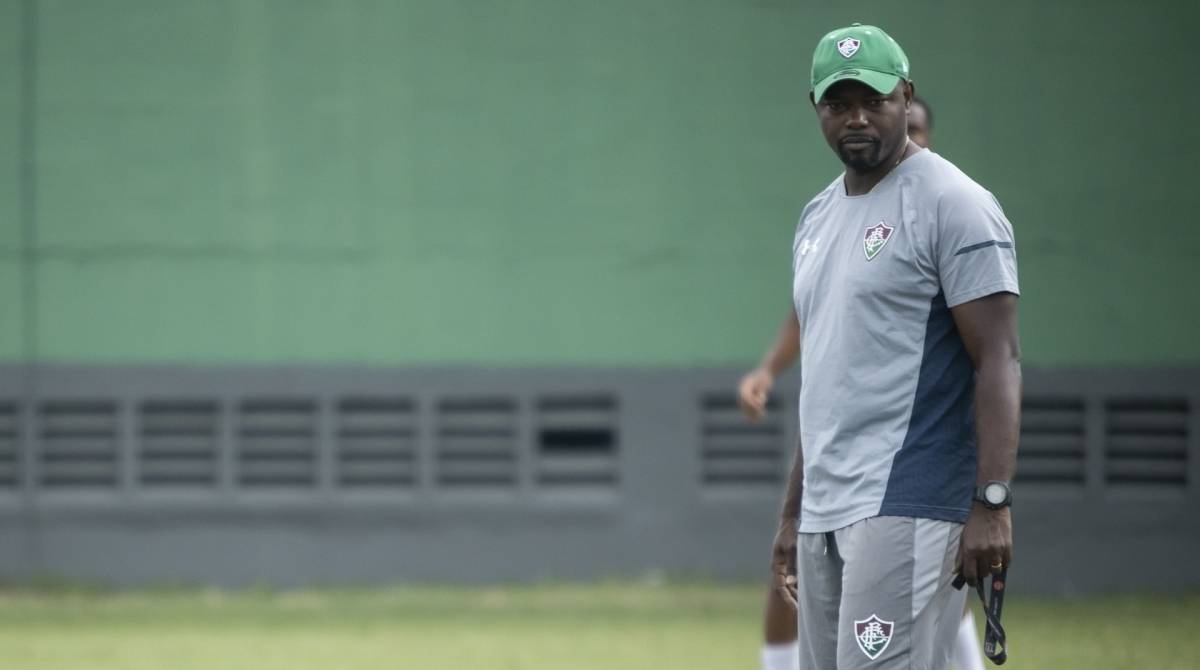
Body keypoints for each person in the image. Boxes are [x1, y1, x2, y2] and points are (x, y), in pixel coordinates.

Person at [740, 23, 1020, 669]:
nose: (857, 118)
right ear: (816, 109)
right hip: (826, 507)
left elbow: (999, 360)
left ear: (906, 95)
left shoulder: (956, 203)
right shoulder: (816, 217)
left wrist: (992, 503)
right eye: (838, 104)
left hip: (910, 499)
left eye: (874, 100)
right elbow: (827, 380)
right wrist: (791, 516)